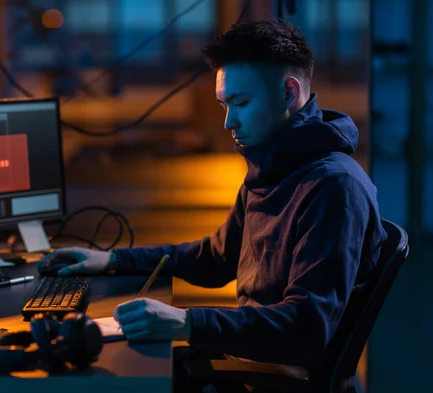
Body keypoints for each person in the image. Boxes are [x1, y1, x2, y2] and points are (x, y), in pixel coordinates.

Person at [39, 19, 387, 374]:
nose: (228, 123)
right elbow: (216, 258)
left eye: (241, 103)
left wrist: (188, 322)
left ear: (288, 92)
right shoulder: (273, 166)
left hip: (273, 377)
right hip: (250, 360)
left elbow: (307, 327)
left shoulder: (333, 187)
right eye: (225, 105)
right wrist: (112, 260)